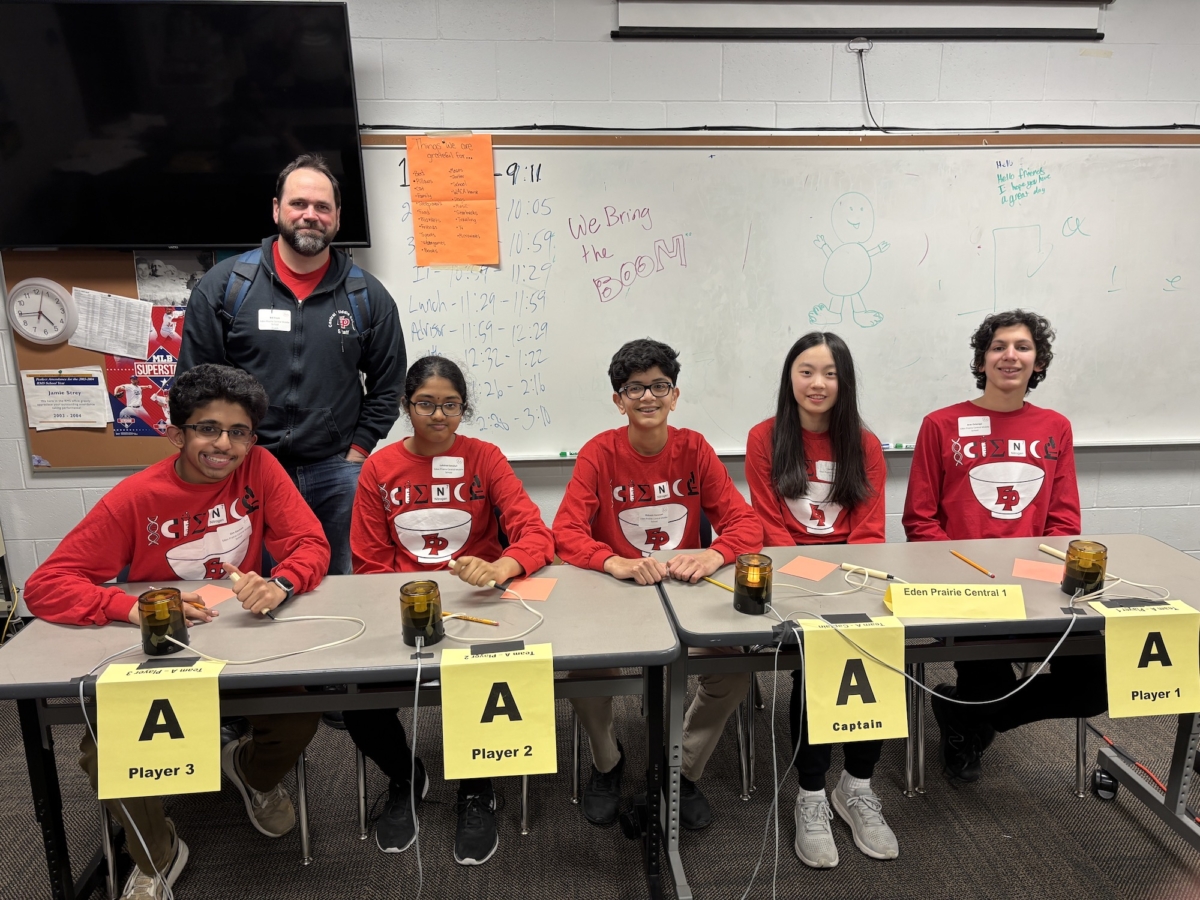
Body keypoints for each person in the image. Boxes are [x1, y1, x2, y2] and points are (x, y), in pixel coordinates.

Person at [23, 364, 330, 900]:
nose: (225, 445)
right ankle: (158, 853)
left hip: (242, 645)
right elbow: (46, 586)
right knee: (108, 751)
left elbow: (311, 543)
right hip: (161, 652)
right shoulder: (136, 497)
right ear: (177, 434)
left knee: (301, 708)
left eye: (239, 433)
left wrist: (281, 581)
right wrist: (129, 606)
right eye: (208, 429)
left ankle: (250, 773)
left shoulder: (260, 468)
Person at [345, 355, 555, 866]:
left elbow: (536, 534)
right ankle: (405, 775)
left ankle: (476, 785)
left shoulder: (485, 457)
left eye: (451, 405)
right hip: (406, 605)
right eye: (426, 404)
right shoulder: (380, 466)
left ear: (464, 408)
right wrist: (413, 595)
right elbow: (369, 563)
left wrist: (503, 565)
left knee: (486, 682)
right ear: (406, 405)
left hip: (477, 601)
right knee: (358, 704)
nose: (439, 416)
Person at [553, 338, 764, 830]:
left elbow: (746, 525)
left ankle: (681, 771)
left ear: (674, 395)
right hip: (616, 599)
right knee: (581, 676)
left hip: (682, 600)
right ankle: (608, 763)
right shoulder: (598, 453)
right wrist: (613, 562)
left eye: (658, 386)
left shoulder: (694, 448)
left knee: (733, 673)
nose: (647, 397)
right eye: (634, 388)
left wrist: (714, 554)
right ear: (617, 400)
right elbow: (564, 533)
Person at [179, 153, 406, 575]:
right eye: (299, 204)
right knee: (252, 589)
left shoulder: (367, 297)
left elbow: (388, 386)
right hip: (248, 470)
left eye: (322, 207)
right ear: (276, 210)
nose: (310, 215)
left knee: (336, 582)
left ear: (337, 218)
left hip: (335, 475)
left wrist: (356, 452)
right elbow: (194, 384)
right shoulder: (227, 286)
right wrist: (225, 454)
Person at [902, 309, 1099, 783]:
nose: (1010, 355)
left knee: (1095, 685)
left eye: (1023, 347)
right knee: (989, 677)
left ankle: (968, 716)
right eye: (998, 347)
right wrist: (965, 574)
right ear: (982, 359)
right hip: (970, 587)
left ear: (1037, 361)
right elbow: (920, 520)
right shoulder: (941, 425)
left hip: (1037, 585)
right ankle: (975, 711)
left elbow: (1064, 518)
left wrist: (1040, 574)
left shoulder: (1055, 426)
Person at [745, 331, 896, 868]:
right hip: (793, 581)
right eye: (807, 371)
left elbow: (869, 531)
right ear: (790, 377)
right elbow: (769, 528)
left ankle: (855, 788)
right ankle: (811, 794)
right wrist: (812, 591)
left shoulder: (864, 443)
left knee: (875, 655)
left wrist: (847, 590)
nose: (818, 383)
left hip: (853, 577)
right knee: (820, 662)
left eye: (830, 373)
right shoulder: (765, 438)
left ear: (844, 381)